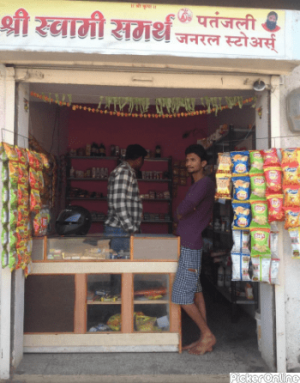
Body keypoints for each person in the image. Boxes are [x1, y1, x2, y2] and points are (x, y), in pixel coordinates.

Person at [171, 144, 216, 355]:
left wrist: (180, 213)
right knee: (197, 293)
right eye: (187, 160)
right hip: (190, 243)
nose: (189, 163)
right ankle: (203, 338)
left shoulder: (203, 183)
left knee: (180, 296)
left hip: (190, 245)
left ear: (203, 163)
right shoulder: (199, 183)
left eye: (193, 160)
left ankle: (207, 334)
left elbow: (184, 207)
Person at [104, 144, 147, 253]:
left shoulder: (124, 171)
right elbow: (119, 203)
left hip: (121, 230)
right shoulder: (125, 172)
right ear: (139, 159)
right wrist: (131, 228)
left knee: (122, 267)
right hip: (121, 231)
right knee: (122, 267)